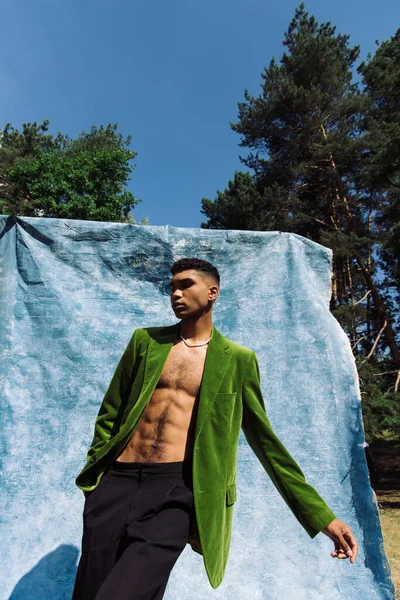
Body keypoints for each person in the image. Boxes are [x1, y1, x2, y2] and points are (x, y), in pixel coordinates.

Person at [72, 257, 358, 599]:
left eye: (185, 285)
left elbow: (267, 445)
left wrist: (322, 517)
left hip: (174, 492)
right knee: (91, 590)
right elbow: (111, 413)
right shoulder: (145, 342)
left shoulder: (237, 360)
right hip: (116, 483)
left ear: (212, 292)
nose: (176, 293)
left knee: (124, 592)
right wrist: (97, 479)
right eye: (172, 287)